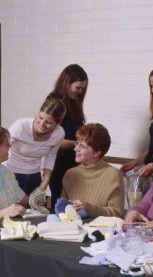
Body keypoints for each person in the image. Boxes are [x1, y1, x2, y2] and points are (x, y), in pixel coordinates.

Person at [4, 96, 66, 195]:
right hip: (10, 173)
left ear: (58, 123)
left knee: (38, 207)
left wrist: (45, 180)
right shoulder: (21, 125)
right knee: (14, 208)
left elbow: (51, 157)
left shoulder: (59, 133)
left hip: (34, 176)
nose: (42, 124)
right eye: (40, 118)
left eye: (48, 122)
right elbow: (0, 147)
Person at [61, 123, 125, 218]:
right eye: (77, 143)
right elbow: (62, 211)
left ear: (96, 153)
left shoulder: (113, 174)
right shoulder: (70, 174)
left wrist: (89, 209)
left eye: (82, 146)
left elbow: (117, 214)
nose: (75, 149)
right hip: (72, 229)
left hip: (101, 231)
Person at [48, 64, 88, 212]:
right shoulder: (54, 102)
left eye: (82, 88)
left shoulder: (73, 102)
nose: (80, 91)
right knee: (54, 205)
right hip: (57, 164)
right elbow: (52, 139)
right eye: (78, 87)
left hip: (72, 163)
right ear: (66, 82)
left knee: (70, 207)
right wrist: (80, 145)